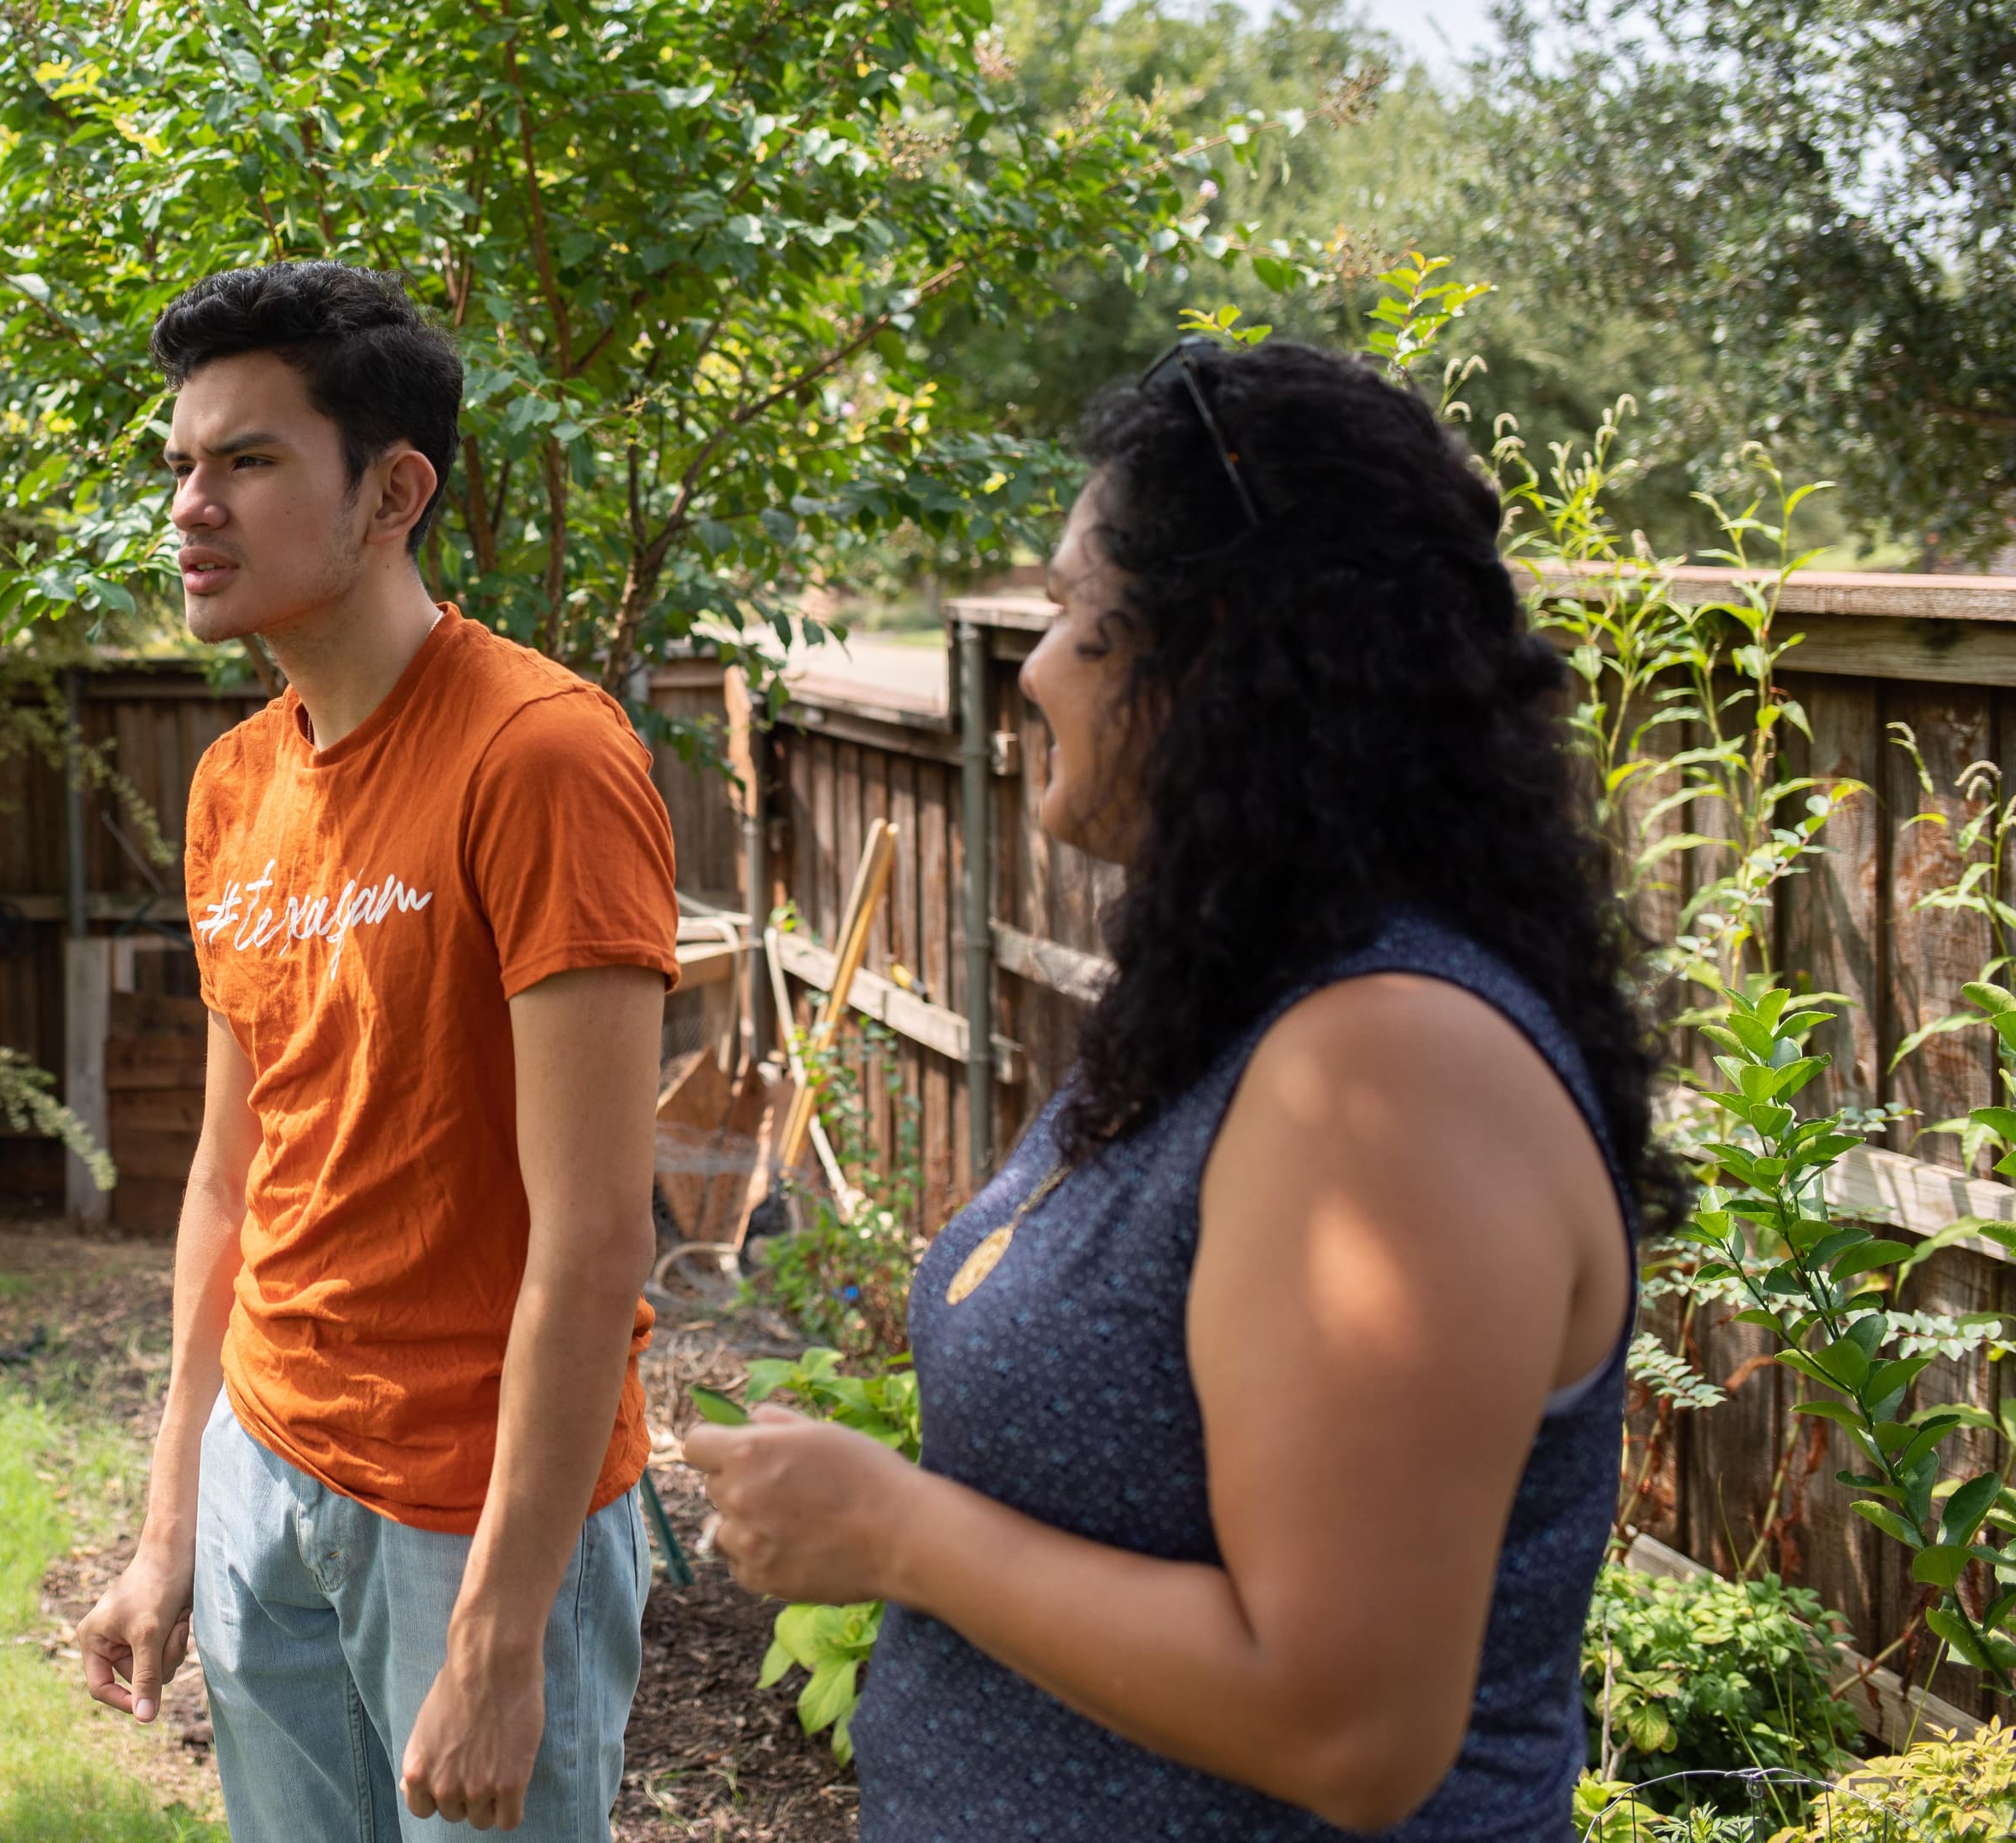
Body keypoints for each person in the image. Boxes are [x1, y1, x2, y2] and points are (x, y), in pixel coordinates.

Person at [686, 339, 1662, 1840]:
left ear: (1216, 655)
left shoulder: (1390, 1071)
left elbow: (1348, 1726)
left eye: (1076, 614)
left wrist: (894, 1532)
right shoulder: (1249, 1007)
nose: (1031, 668)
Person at [72, 262, 680, 1840]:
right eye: (182, 465)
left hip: (473, 1520)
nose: (191, 506)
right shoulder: (232, 783)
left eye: (249, 462)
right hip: (267, 1465)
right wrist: (169, 1525)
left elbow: (599, 1231)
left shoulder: (538, 758)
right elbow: (230, 1172)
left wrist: (498, 1628)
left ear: (393, 489)